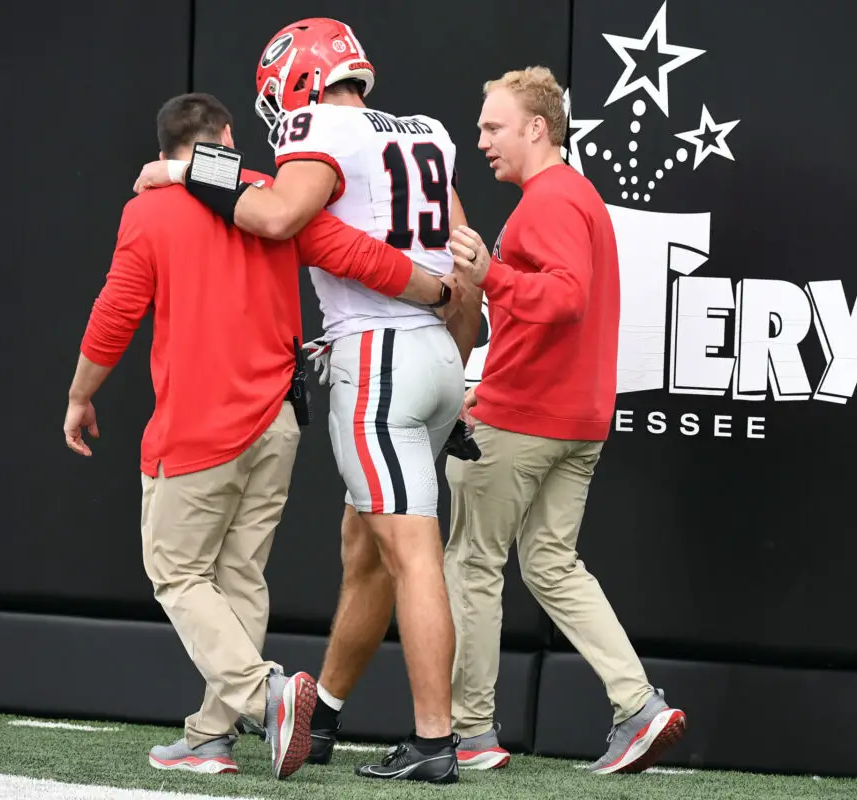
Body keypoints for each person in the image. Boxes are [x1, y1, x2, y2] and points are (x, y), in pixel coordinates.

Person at [64, 92, 460, 781]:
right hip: (277, 422)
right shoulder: (271, 198)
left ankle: (265, 696)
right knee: (240, 576)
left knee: (179, 573)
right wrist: (439, 292)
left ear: (164, 151)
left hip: (196, 423)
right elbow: (359, 255)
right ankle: (212, 736)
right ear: (224, 137)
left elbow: (117, 310)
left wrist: (80, 394)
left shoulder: (150, 208)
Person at [443, 66, 688, 775]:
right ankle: (637, 704)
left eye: (493, 127)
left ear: (536, 128)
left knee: (472, 564)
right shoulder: (575, 196)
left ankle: (472, 735)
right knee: (551, 564)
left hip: (521, 419)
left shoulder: (549, 201)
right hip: (577, 421)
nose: (481, 139)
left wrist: (489, 274)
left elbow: (565, 300)